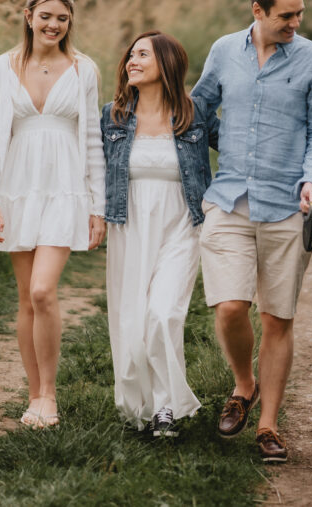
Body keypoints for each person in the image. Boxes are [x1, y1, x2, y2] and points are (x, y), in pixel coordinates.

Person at [191, 0, 312, 463]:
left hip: (287, 205)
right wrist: (221, 147)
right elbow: (199, 107)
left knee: (277, 317)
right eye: (286, 15)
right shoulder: (224, 51)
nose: (296, 22)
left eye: (300, 13)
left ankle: (269, 426)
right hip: (229, 197)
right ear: (258, 11)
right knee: (230, 306)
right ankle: (243, 384)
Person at [0, 0, 106, 429]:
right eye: (46, 16)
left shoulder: (83, 69)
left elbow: (93, 140)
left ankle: (50, 394)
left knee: (43, 291)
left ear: (70, 23)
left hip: (66, 188)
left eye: (62, 18)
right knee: (25, 300)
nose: (54, 24)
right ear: (29, 16)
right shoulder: (3, 67)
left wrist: (97, 206)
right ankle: (33, 395)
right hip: (18, 188)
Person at [101, 30, 218, 438]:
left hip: (181, 224)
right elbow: (89, 167)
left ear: (166, 63)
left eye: (143, 55)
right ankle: (142, 405)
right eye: (131, 54)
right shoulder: (112, 116)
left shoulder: (194, 113)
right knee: (132, 322)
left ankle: (166, 407)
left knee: (163, 312)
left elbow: (240, 150)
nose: (132, 61)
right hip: (129, 225)